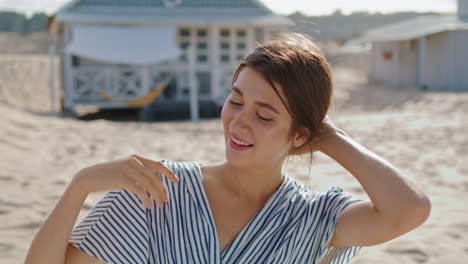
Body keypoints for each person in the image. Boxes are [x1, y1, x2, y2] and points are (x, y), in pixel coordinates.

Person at [25, 33, 431, 264]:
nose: (239, 122)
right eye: (235, 100)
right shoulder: (159, 189)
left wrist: (329, 137)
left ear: (301, 135)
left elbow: (409, 209)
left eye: (265, 114)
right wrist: (79, 186)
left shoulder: (312, 219)